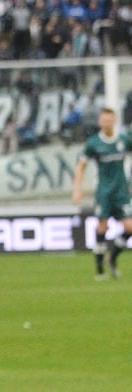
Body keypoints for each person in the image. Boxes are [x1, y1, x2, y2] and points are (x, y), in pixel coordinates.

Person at [71, 106, 132, 280]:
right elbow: (81, 167)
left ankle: (112, 257)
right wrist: (77, 189)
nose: (107, 122)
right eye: (104, 120)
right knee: (103, 227)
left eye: (110, 119)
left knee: (129, 227)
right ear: (100, 121)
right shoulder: (94, 143)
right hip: (104, 191)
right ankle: (99, 269)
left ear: (115, 120)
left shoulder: (124, 140)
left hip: (122, 191)